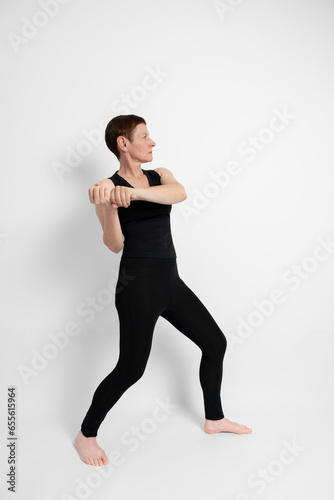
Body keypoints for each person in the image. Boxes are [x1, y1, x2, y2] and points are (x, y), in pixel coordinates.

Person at [74, 114, 252, 467]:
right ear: (124, 143)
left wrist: (134, 193)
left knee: (215, 343)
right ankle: (86, 435)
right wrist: (110, 206)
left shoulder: (159, 176)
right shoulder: (105, 188)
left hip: (170, 280)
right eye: (144, 136)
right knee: (131, 369)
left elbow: (179, 193)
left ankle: (214, 419)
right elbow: (113, 245)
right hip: (136, 286)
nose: (152, 141)